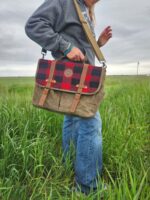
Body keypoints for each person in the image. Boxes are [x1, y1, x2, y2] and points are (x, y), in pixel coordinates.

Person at [25, 0, 112, 196]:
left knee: (72, 119)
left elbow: (80, 49)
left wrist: (97, 44)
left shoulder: (85, 10)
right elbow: (33, 25)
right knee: (91, 123)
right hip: (71, 75)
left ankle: (70, 168)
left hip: (82, 75)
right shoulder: (63, 2)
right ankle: (88, 187)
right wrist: (65, 47)